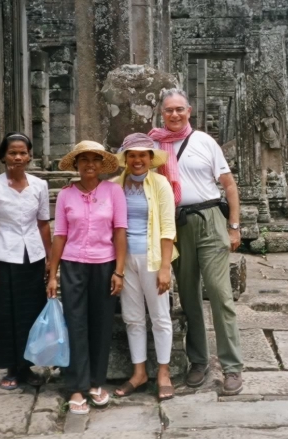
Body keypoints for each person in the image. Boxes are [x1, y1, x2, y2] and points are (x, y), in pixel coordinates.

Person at [149, 89, 244, 395]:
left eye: (179, 109)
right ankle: (198, 362)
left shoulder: (204, 142)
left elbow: (229, 187)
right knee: (188, 295)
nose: (174, 115)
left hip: (209, 220)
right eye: (168, 111)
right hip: (175, 225)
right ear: (161, 114)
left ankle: (231, 367)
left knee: (219, 294)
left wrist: (234, 227)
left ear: (189, 111)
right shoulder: (153, 145)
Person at [47, 141, 127, 415]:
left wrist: (119, 270)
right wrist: (53, 274)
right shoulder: (66, 195)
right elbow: (60, 234)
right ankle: (77, 387)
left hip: (105, 265)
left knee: (101, 325)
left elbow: (119, 232)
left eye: (95, 159)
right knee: (76, 324)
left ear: (101, 165)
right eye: (84, 160)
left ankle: (95, 382)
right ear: (76, 164)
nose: (89, 164)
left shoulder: (113, 192)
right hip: (72, 266)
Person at [0, 132, 51, 390]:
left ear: (30, 156)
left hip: (33, 256)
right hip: (5, 256)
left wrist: (50, 260)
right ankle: (12, 367)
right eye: (13, 153)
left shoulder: (40, 186)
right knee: (8, 312)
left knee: (32, 312)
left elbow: (43, 224)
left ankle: (28, 366)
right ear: (3, 156)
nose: (18, 157)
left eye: (23, 152)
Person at [111, 133, 178, 401]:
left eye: (142, 155)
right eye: (132, 155)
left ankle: (163, 371)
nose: (137, 160)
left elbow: (168, 227)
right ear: (125, 158)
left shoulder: (161, 184)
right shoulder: (116, 185)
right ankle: (139, 372)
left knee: (160, 317)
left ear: (151, 159)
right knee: (133, 317)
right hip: (125, 261)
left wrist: (164, 267)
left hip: (153, 260)